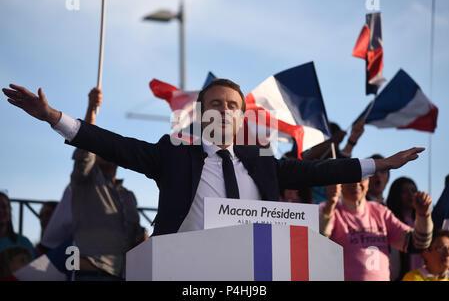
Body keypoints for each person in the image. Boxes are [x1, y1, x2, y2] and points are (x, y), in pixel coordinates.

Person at [2, 80, 426, 236]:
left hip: (251, 275)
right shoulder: (172, 155)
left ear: (242, 116)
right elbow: (115, 145)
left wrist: (379, 165)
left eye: (232, 105)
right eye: (216, 104)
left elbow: (318, 168)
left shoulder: (261, 160)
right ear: (202, 114)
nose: (224, 110)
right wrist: (54, 118)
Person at [68, 87, 143, 281]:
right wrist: (91, 108)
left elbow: (135, 237)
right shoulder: (85, 180)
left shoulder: (128, 196)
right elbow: (84, 147)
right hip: (92, 274)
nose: (105, 149)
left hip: (124, 274)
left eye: (109, 146)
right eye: (99, 146)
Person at [319, 179, 433, 281]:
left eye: (361, 178)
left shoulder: (380, 211)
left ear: (368, 182)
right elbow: (318, 240)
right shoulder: (329, 209)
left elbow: (418, 244)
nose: (355, 183)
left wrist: (423, 215)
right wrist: (330, 204)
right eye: (350, 178)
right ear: (340, 184)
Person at [386, 177, 425, 280]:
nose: (410, 195)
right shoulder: (390, 221)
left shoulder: (422, 223)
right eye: (404, 191)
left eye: (413, 190)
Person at [0, 191, 35, 259]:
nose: (0, 210)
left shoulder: (24, 242)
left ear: (10, 211)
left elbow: (34, 268)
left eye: (4, 206)